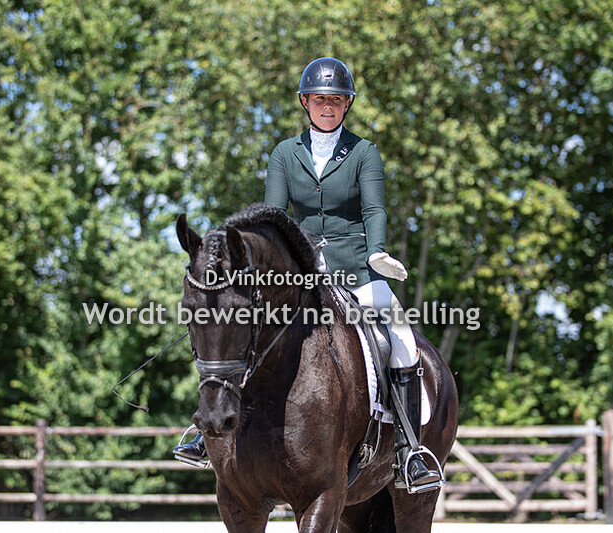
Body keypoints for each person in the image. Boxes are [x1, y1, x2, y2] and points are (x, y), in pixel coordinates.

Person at [174, 58, 440, 493]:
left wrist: (376, 253)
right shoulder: (284, 154)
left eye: (336, 100)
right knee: (233, 324)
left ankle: (411, 452)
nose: (328, 107)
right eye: (320, 99)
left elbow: (373, 209)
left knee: (403, 342)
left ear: (346, 105)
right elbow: (273, 218)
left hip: (357, 268)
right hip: (300, 275)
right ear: (305, 102)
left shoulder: (363, 152)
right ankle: (208, 434)